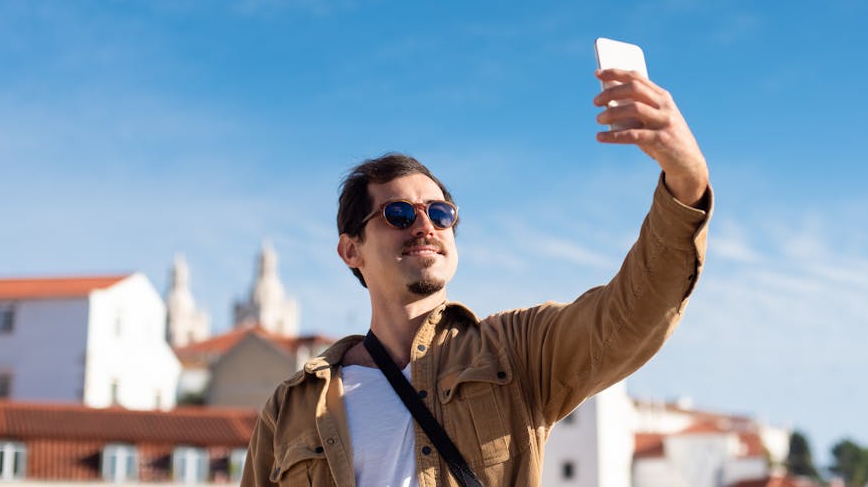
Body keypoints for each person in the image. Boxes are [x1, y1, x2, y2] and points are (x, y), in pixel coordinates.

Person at [241, 68, 712, 486]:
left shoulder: (516, 351)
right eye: (399, 213)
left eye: (440, 213)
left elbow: (632, 313)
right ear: (351, 250)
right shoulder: (291, 409)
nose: (425, 226)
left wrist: (685, 181)